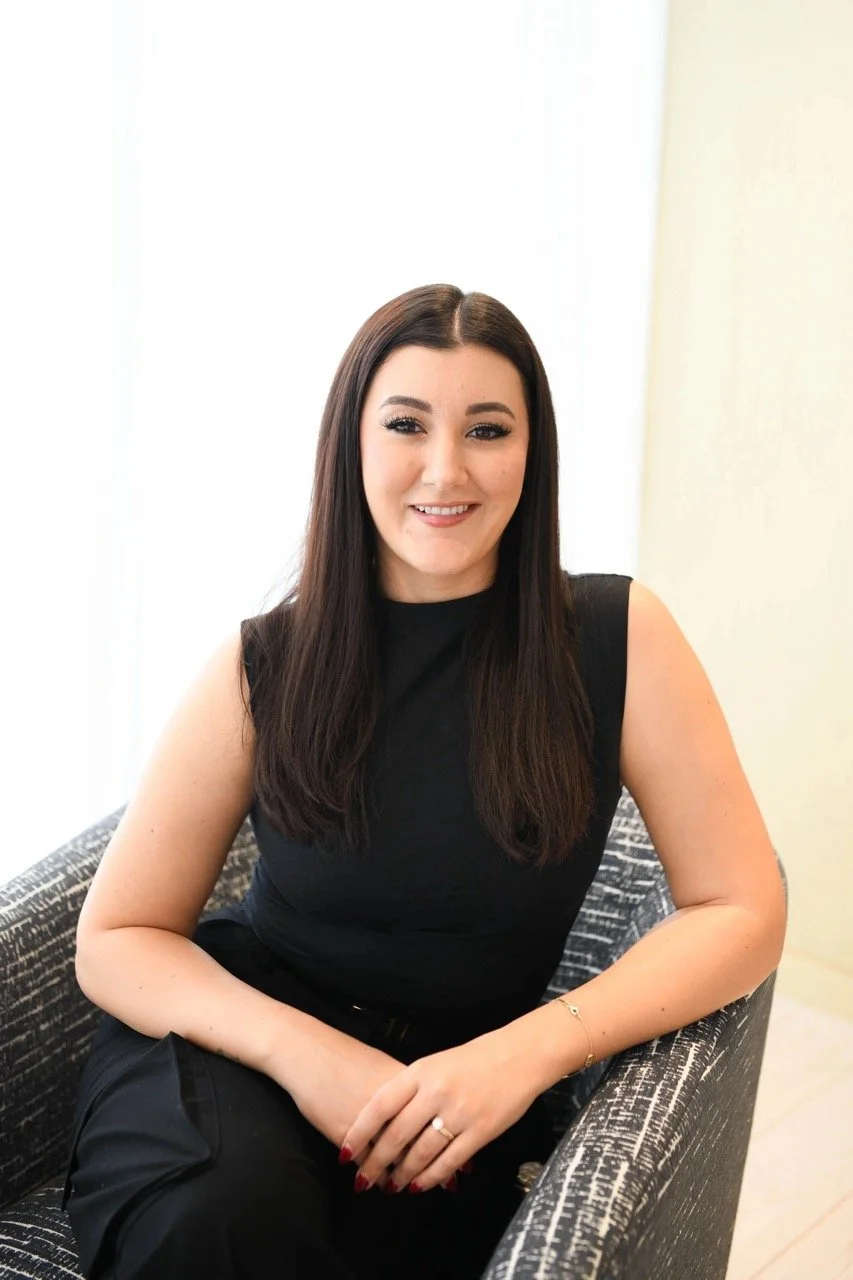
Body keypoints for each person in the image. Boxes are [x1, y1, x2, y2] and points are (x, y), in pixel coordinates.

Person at [62, 283, 787, 1280]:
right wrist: (305, 1055)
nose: (445, 469)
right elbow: (115, 937)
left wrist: (528, 1051)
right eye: (405, 425)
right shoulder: (264, 661)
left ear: (532, 453)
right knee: (219, 1220)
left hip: (457, 1095)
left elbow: (740, 906)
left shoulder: (618, 639)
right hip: (239, 1052)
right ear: (351, 445)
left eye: (487, 429)